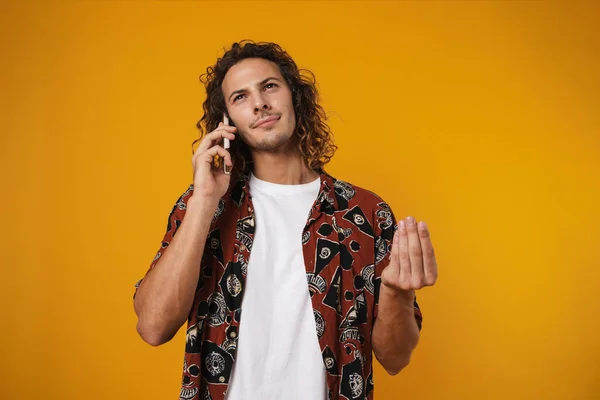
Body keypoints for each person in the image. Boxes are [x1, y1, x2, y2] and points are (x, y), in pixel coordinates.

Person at [133, 40, 438, 400]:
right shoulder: (204, 204)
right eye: (240, 97)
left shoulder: (363, 212)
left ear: (295, 96)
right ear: (227, 122)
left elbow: (395, 357)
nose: (259, 103)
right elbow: (153, 327)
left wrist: (397, 292)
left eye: (269, 86)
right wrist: (204, 200)